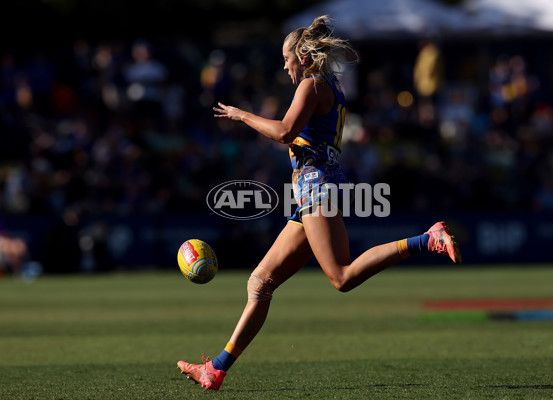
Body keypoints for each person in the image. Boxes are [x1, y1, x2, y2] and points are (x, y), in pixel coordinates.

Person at [177, 15, 462, 391]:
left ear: (305, 58)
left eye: (287, 58)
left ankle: (427, 239)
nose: (284, 65)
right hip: (315, 189)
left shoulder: (311, 85)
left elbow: (284, 132)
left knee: (341, 278)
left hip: (316, 189)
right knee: (260, 283)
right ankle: (215, 369)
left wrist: (240, 114)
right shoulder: (331, 84)